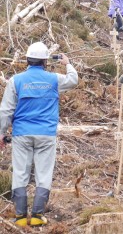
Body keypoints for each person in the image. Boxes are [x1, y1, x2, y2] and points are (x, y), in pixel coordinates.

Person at [0, 42, 78, 227]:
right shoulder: (53, 79)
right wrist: (67, 63)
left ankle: (20, 217)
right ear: (45, 61)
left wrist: (1, 133)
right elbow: (73, 80)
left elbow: (5, 111)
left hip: (21, 134)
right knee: (44, 173)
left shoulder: (16, 81)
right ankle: (37, 215)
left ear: (27, 59)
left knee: (20, 173)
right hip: (46, 134)